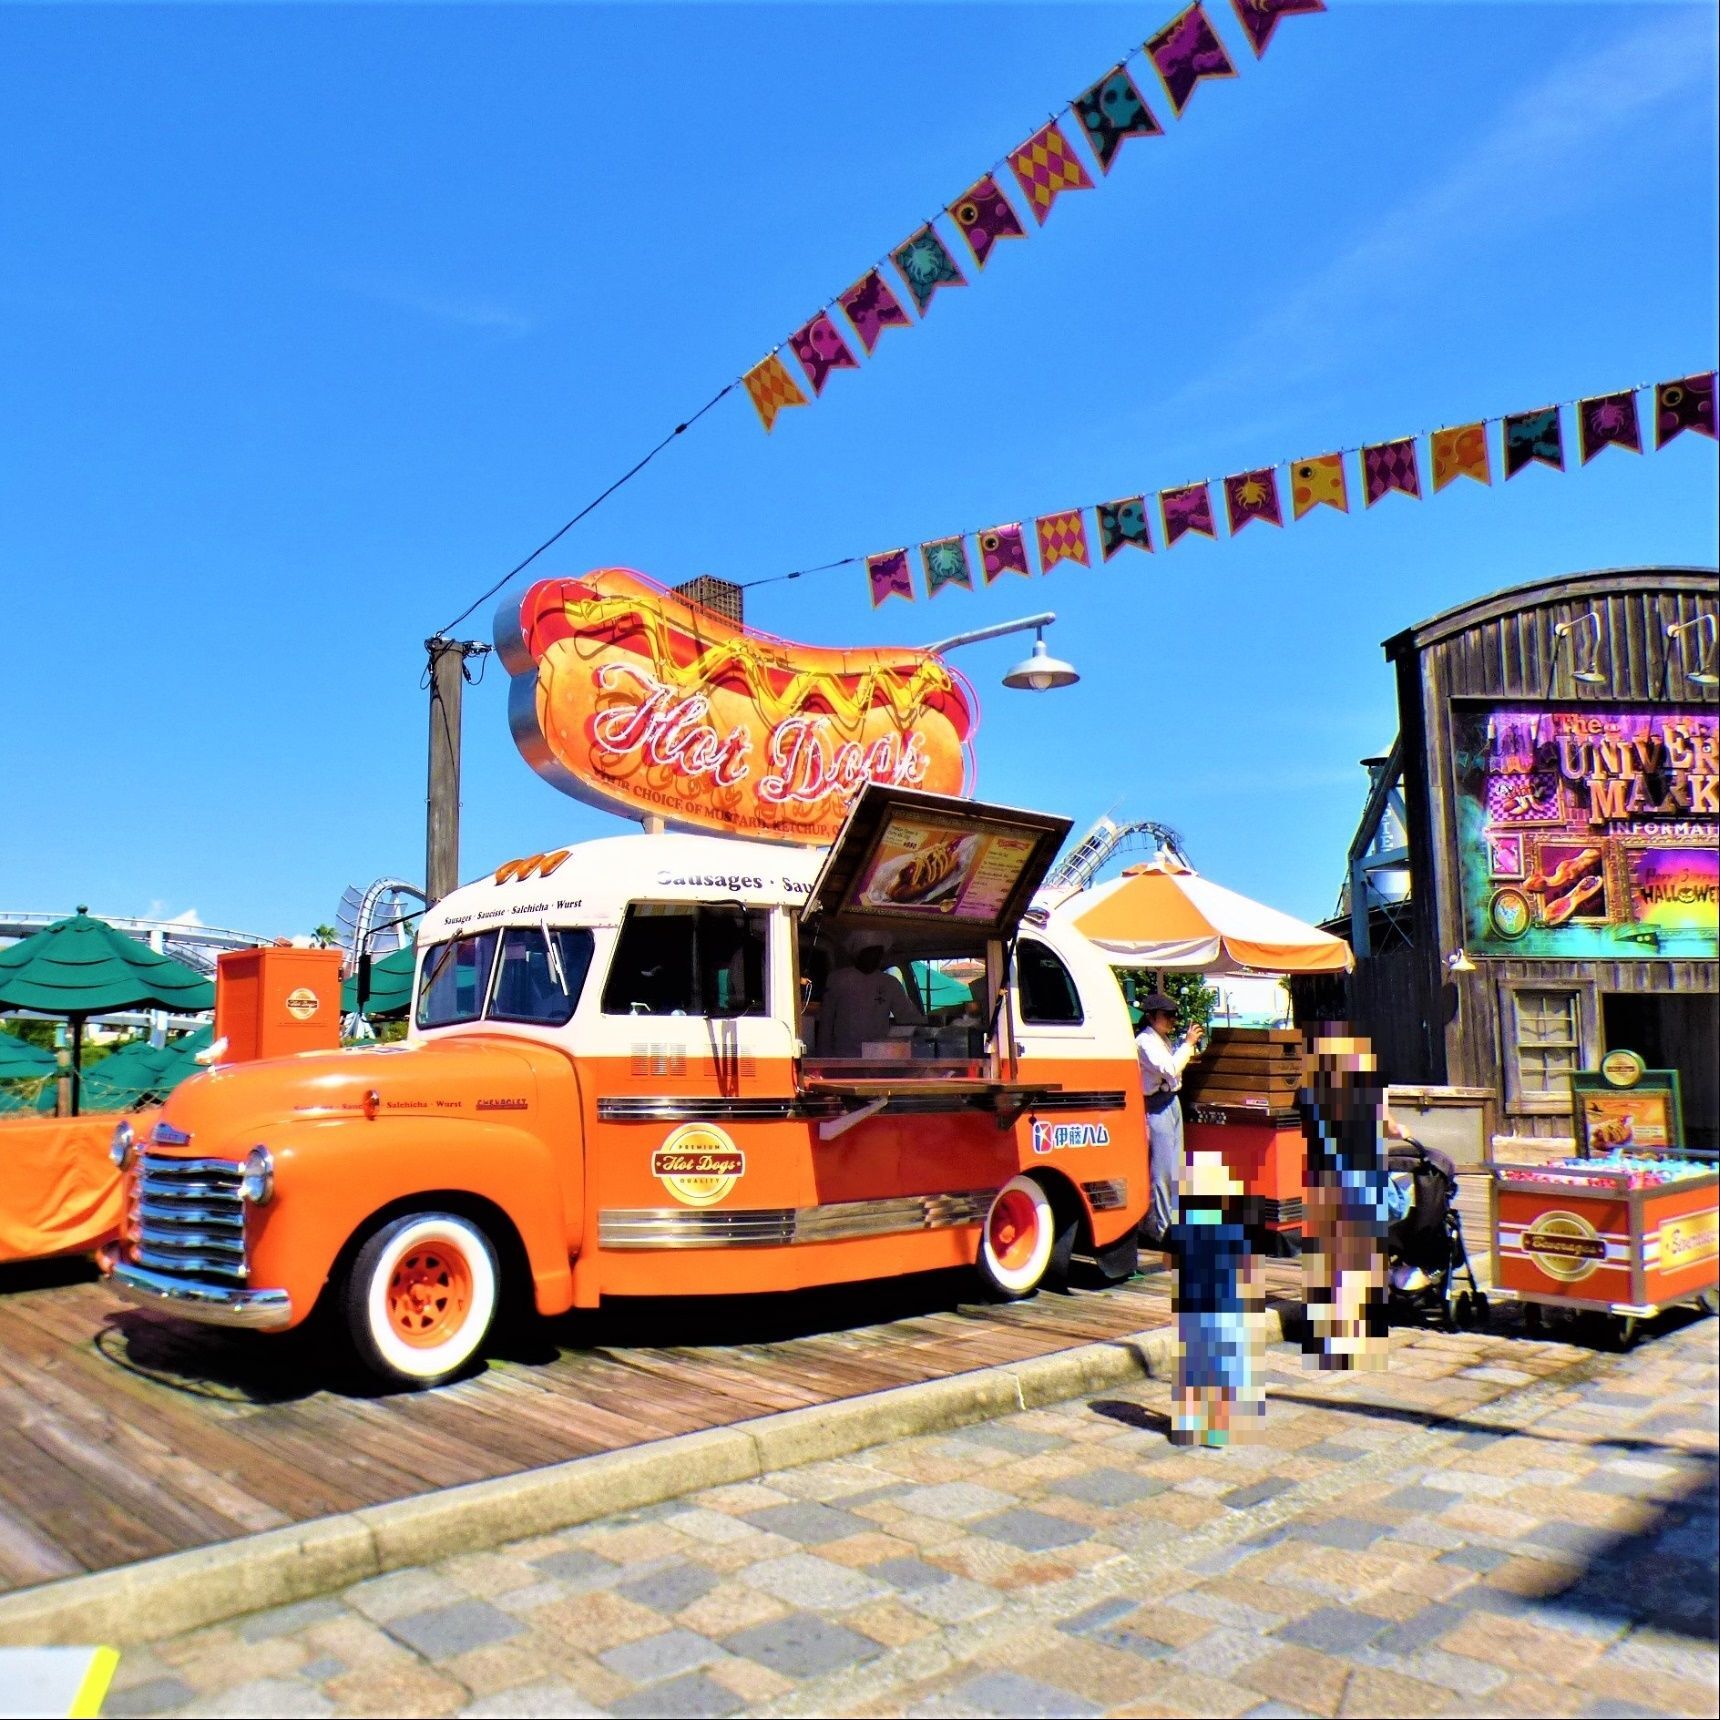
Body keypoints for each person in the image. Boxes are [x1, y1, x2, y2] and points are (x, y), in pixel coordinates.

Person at [1135, 991, 1205, 1250]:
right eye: (1167, 1016)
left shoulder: (1159, 1039)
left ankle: (1172, 1224)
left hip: (1170, 1102)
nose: (1173, 1021)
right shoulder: (1145, 1042)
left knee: (1175, 1167)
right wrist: (1187, 1045)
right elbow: (1170, 1069)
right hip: (1157, 1105)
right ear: (1152, 1017)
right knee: (1162, 1169)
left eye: (1174, 1016)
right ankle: (1160, 1229)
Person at [815, 932, 926, 1058]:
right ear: (858, 954)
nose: (875, 957)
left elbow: (908, 1016)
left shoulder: (890, 983)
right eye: (870, 952)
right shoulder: (838, 979)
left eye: (878, 953)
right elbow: (826, 1021)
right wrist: (823, 1057)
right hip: (843, 1054)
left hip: (878, 1054)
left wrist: (926, 1027)